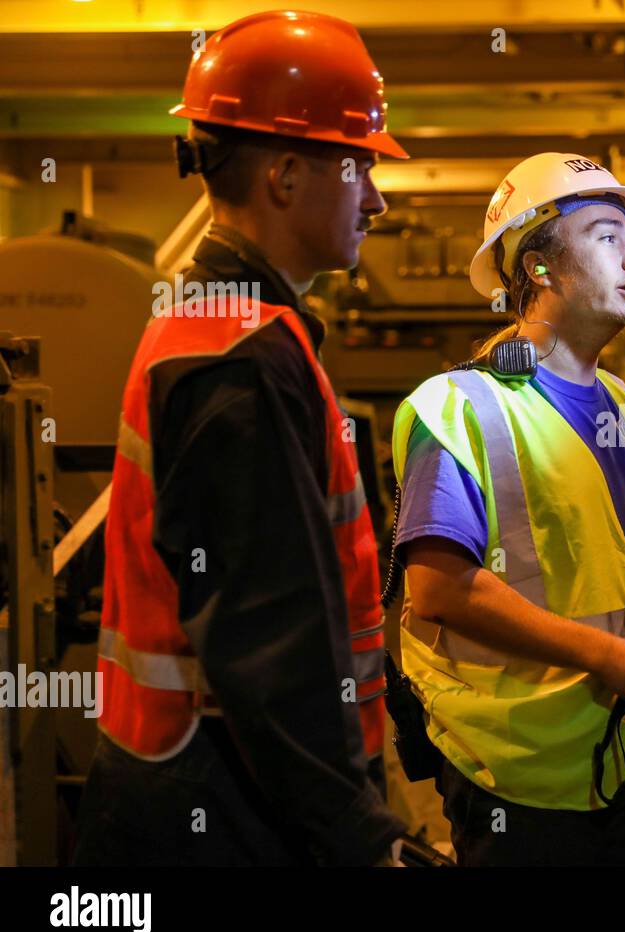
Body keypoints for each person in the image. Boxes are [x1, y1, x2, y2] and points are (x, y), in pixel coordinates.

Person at [75, 10, 410, 866]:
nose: (375, 197)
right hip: (223, 806)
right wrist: (365, 840)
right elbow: (273, 647)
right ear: (289, 174)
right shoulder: (241, 359)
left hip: (196, 783)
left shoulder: (221, 326)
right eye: (358, 164)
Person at [388, 152, 625, 865]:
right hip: (517, 772)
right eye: (607, 236)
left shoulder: (624, 405)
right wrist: (610, 656)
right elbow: (438, 588)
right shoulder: (459, 406)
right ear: (537, 268)